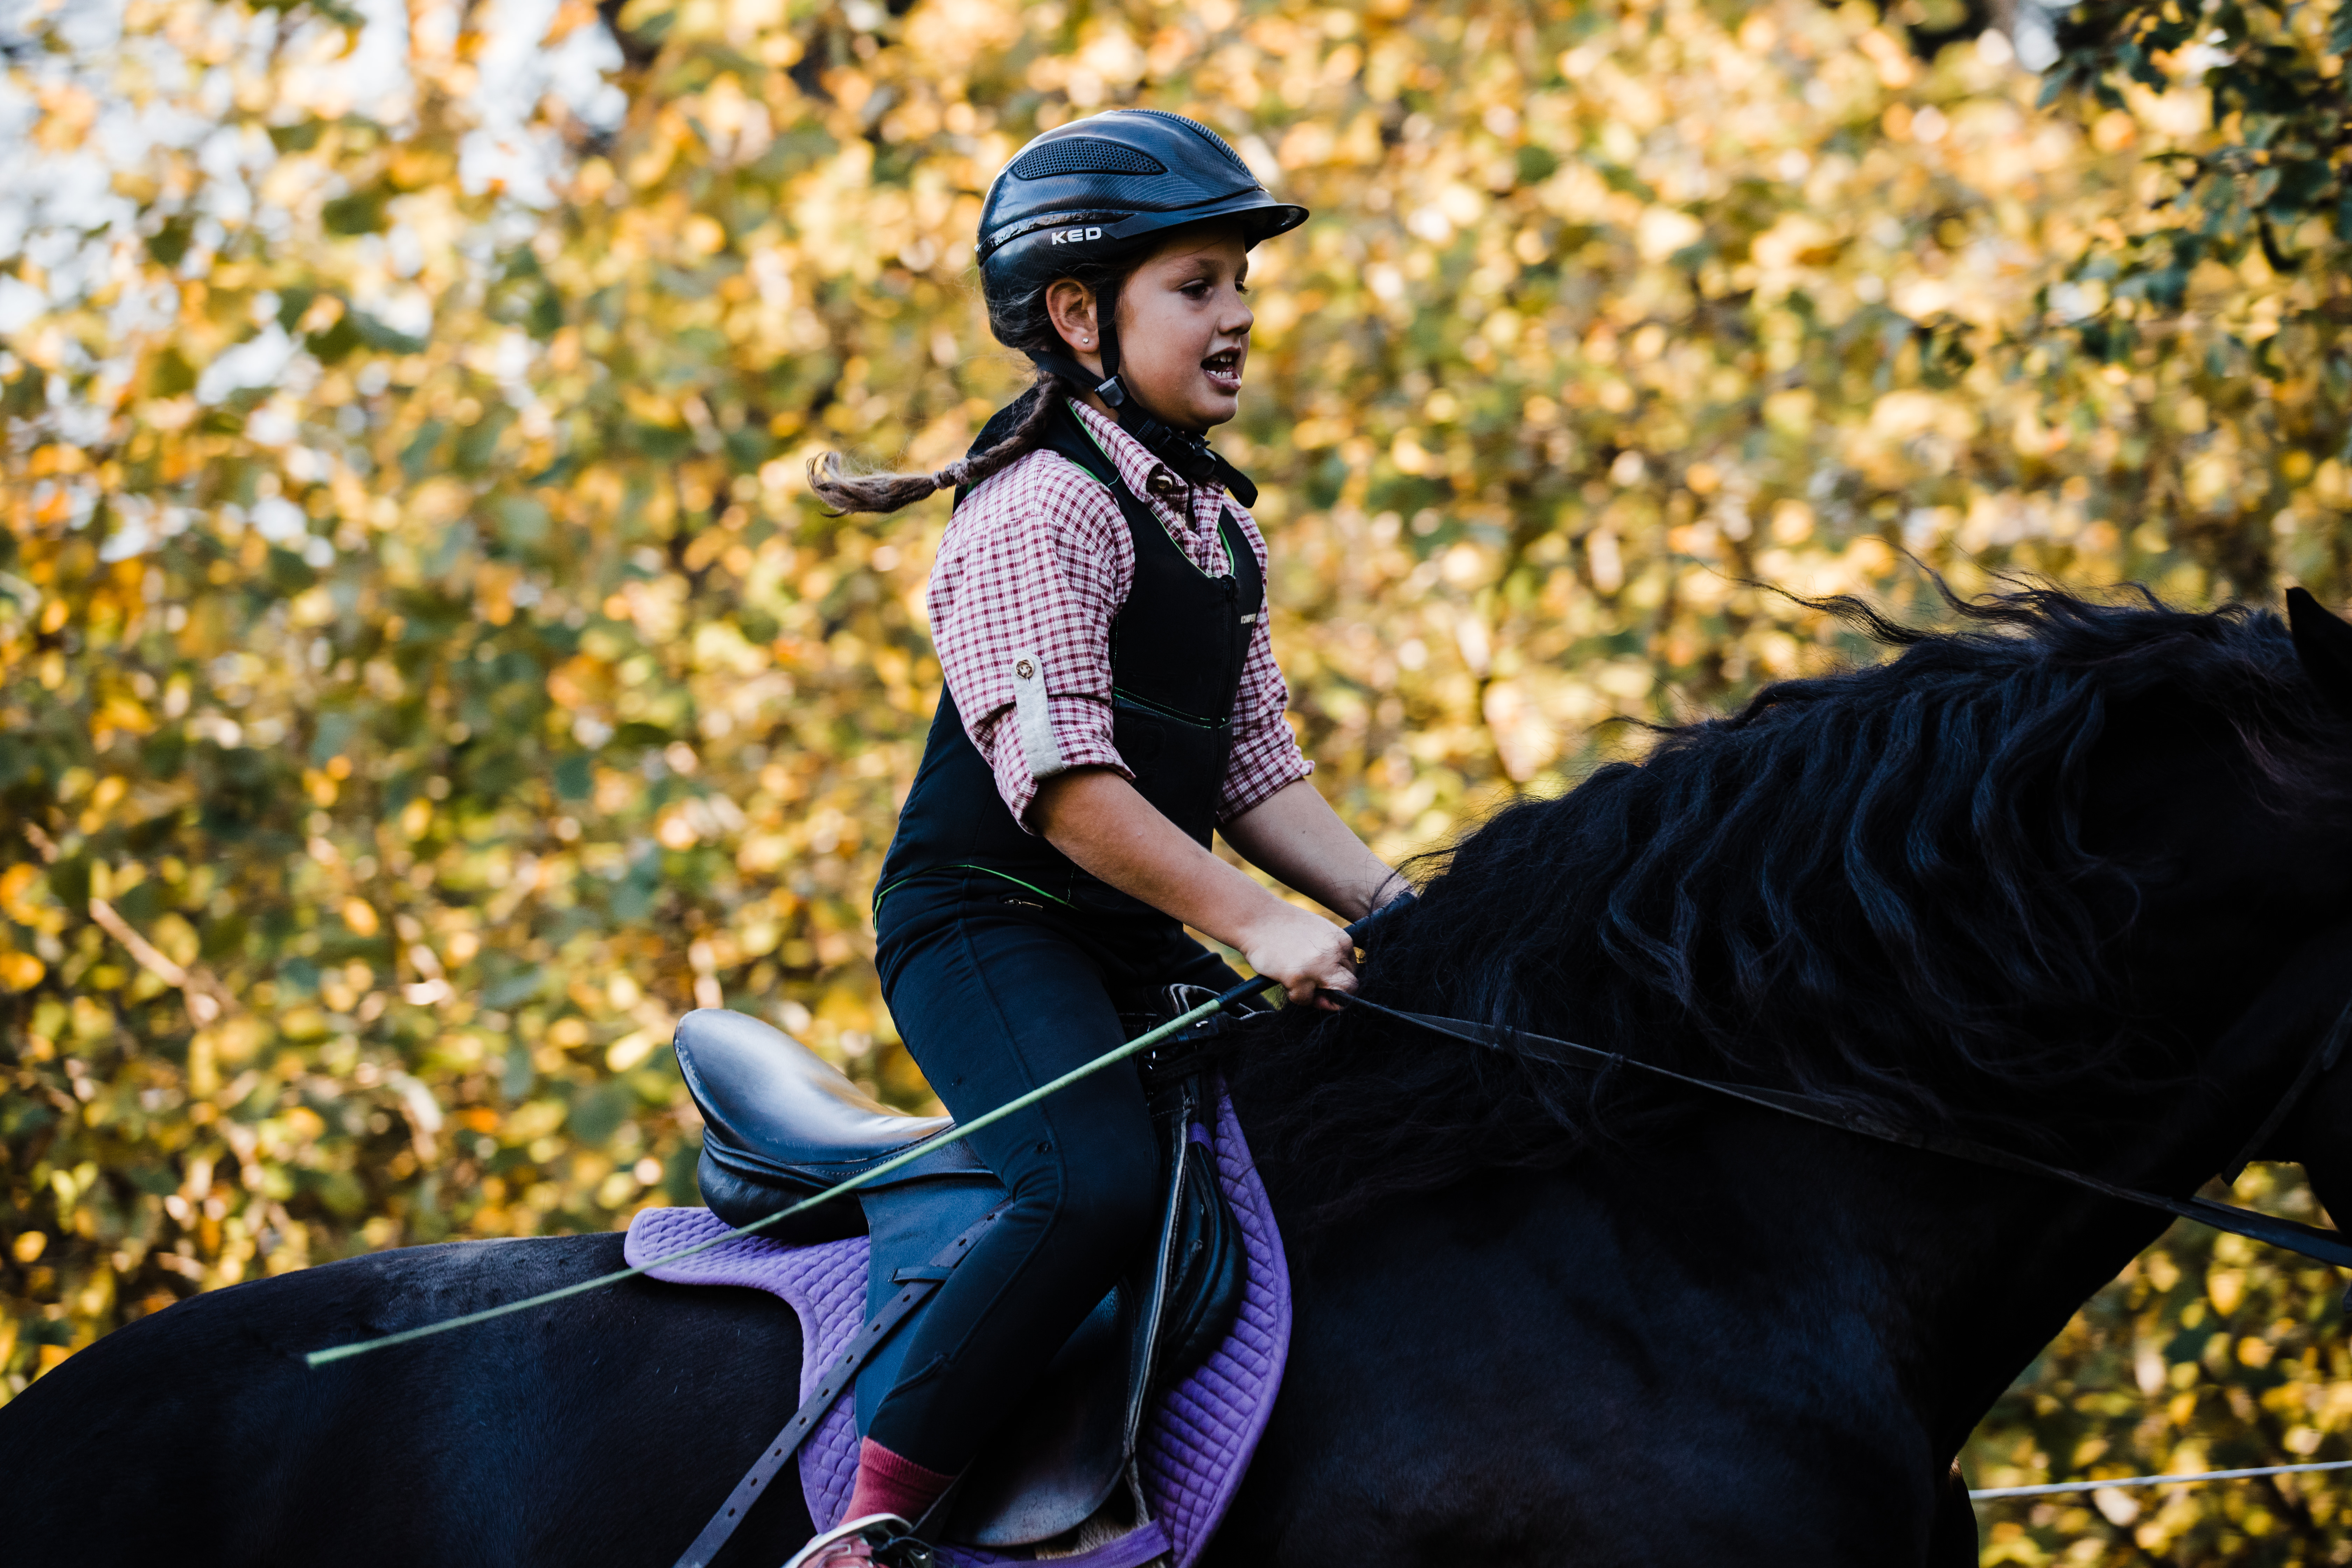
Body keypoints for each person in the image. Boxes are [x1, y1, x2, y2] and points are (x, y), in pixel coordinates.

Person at [791, 108, 1403, 1568]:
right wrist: (1256, 922)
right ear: (1078, 315)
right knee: (1092, 1180)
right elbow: (1065, 790)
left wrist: (1410, 912)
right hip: (988, 926)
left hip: (1130, 933)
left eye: (1241, 284)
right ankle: (875, 1519)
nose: (1242, 316)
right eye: (1199, 287)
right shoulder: (1037, 508)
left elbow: (1259, 780)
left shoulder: (1219, 528)